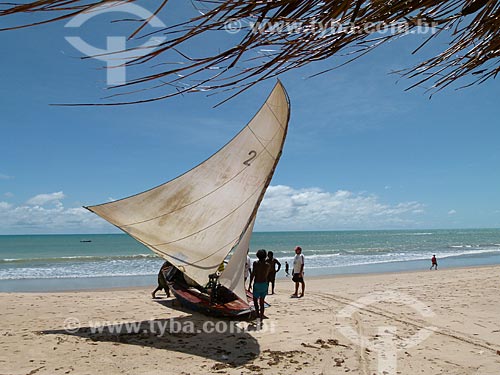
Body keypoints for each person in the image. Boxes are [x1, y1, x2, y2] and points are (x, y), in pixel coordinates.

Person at [248, 249, 270, 319]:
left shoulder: (256, 263)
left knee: (255, 300)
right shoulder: (268, 265)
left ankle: (257, 314)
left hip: (257, 283)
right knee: (262, 301)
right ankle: (261, 315)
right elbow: (266, 275)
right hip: (265, 284)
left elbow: (253, 274)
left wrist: (250, 284)